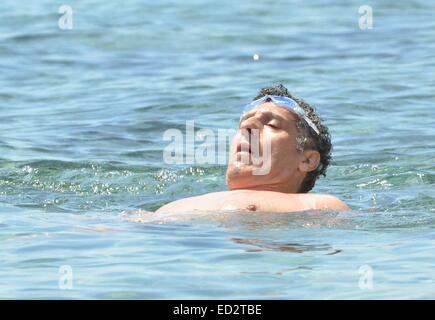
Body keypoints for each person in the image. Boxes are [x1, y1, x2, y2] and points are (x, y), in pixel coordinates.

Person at [156, 84, 350, 213]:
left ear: (307, 160)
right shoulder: (171, 208)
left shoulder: (319, 206)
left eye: (272, 125)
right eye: (244, 125)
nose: (247, 128)